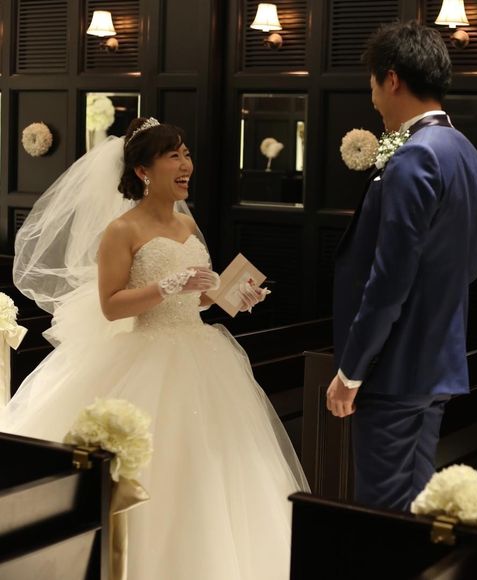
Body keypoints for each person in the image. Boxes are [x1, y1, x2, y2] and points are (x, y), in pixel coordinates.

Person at [2, 117, 309, 579]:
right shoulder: (122, 230)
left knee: (216, 471)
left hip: (201, 352)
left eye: (186, 154)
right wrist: (166, 286)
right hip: (147, 352)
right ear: (143, 171)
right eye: (173, 156)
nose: (186, 165)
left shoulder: (187, 222)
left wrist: (231, 296)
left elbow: (197, 296)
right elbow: (111, 306)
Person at [326, 21, 477, 511]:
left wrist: (352, 370)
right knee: (415, 508)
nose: (373, 98)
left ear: (392, 79)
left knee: (384, 512)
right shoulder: (465, 151)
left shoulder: (416, 155)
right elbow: (470, 266)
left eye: (374, 84)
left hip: (395, 367)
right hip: (437, 360)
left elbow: (389, 280)